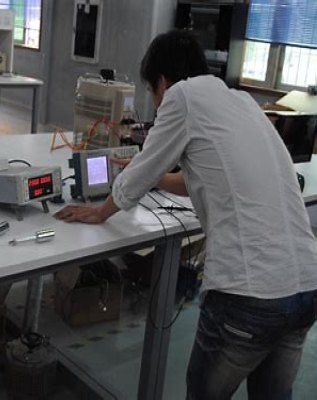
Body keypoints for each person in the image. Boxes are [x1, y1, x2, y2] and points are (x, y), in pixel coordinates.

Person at [54, 30, 317, 400]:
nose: (155, 103)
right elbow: (200, 179)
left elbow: (141, 171)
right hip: (305, 285)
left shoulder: (181, 96)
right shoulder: (241, 101)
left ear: (162, 82)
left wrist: (102, 211)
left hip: (249, 294)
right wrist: (154, 177)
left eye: (151, 91)